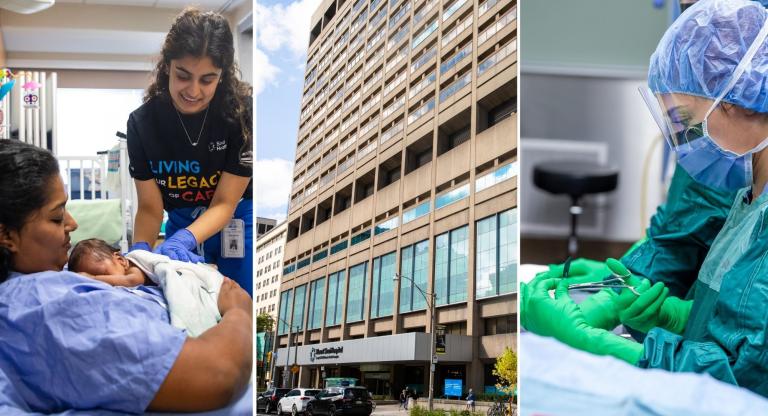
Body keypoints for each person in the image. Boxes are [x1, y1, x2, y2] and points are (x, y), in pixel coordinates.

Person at [522, 0, 768, 398]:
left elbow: (743, 378)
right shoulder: (748, 199)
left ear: (738, 99)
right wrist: (675, 316)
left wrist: (598, 343)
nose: (683, 141)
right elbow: (738, 320)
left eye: (683, 121)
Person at [0, 140, 252, 413]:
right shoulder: (49, 306)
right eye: (57, 217)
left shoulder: (31, 291)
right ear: (7, 236)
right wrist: (239, 313)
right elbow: (218, 374)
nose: (73, 224)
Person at [127, 7, 253, 295]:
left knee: (239, 298)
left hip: (235, 218)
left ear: (221, 76)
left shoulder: (243, 116)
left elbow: (224, 202)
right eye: (183, 75)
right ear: (168, 66)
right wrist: (140, 255)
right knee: (180, 296)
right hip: (181, 220)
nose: (193, 91)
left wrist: (185, 238)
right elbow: (149, 206)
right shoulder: (142, 124)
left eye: (207, 79)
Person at [68, 238, 150, 286]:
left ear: (120, 260)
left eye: (104, 275)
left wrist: (93, 278)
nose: (105, 282)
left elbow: (134, 281)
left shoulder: (133, 267)